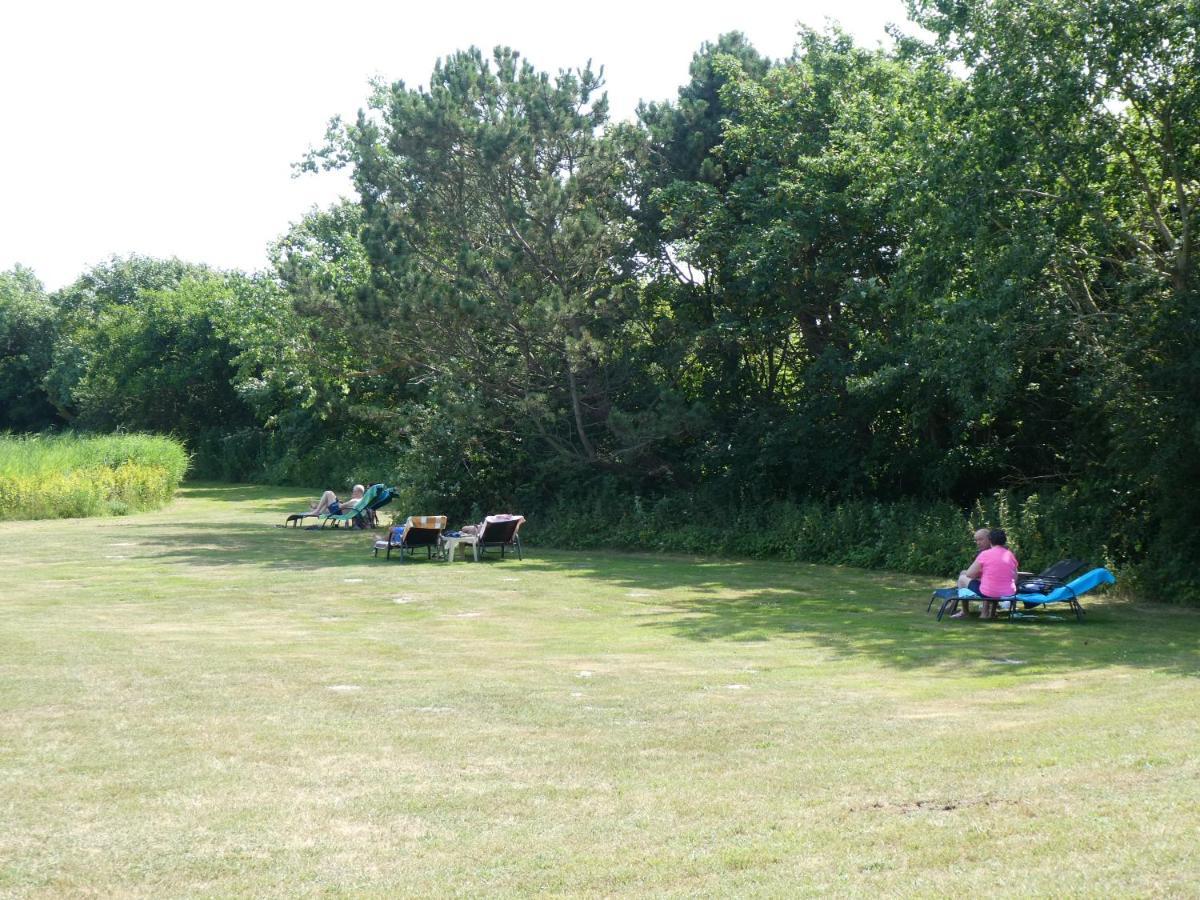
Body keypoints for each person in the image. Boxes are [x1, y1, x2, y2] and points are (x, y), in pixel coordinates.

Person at [953, 527, 1019, 620]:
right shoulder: (1010, 555)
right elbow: (1015, 576)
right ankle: (990, 613)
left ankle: (965, 612)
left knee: (962, 578)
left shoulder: (985, 554)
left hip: (990, 592)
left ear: (990, 540)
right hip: (1009, 592)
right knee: (993, 583)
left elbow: (969, 574)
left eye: (980, 539)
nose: (978, 542)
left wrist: (979, 578)